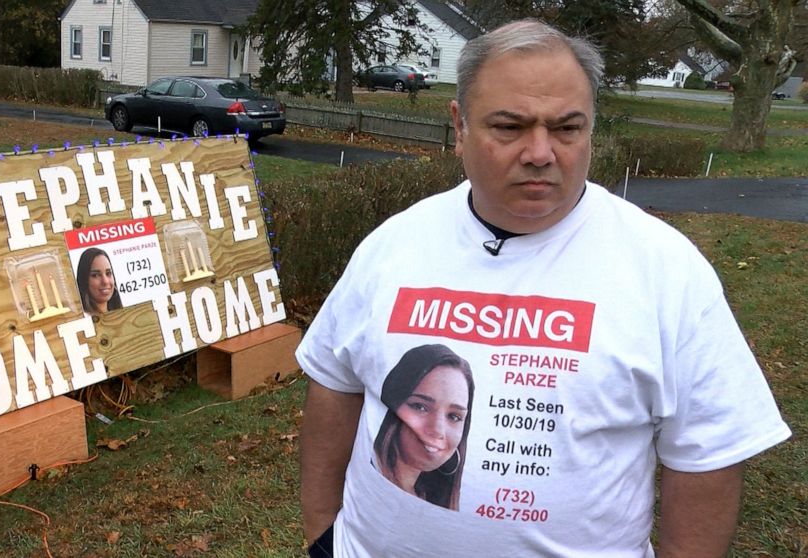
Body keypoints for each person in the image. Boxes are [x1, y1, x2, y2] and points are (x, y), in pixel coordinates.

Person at [297, 18, 791, 558]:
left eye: (566, 128)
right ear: (459, 126)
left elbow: (709, 455)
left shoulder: (665, 270)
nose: (540, 152)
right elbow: (334, 382)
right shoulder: (395, 244)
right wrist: (324, 535)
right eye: (509, 127)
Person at [374, 344, 474, 510]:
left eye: (454, 416)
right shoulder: (373, 482)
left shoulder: (430, 497)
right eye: (420, 407)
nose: (437, 430)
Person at [75, 247, 123, 315]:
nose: (105, 281)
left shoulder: (123, 316)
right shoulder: (81, 321)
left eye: (108, 273)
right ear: (84, 280)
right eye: (95, 275)